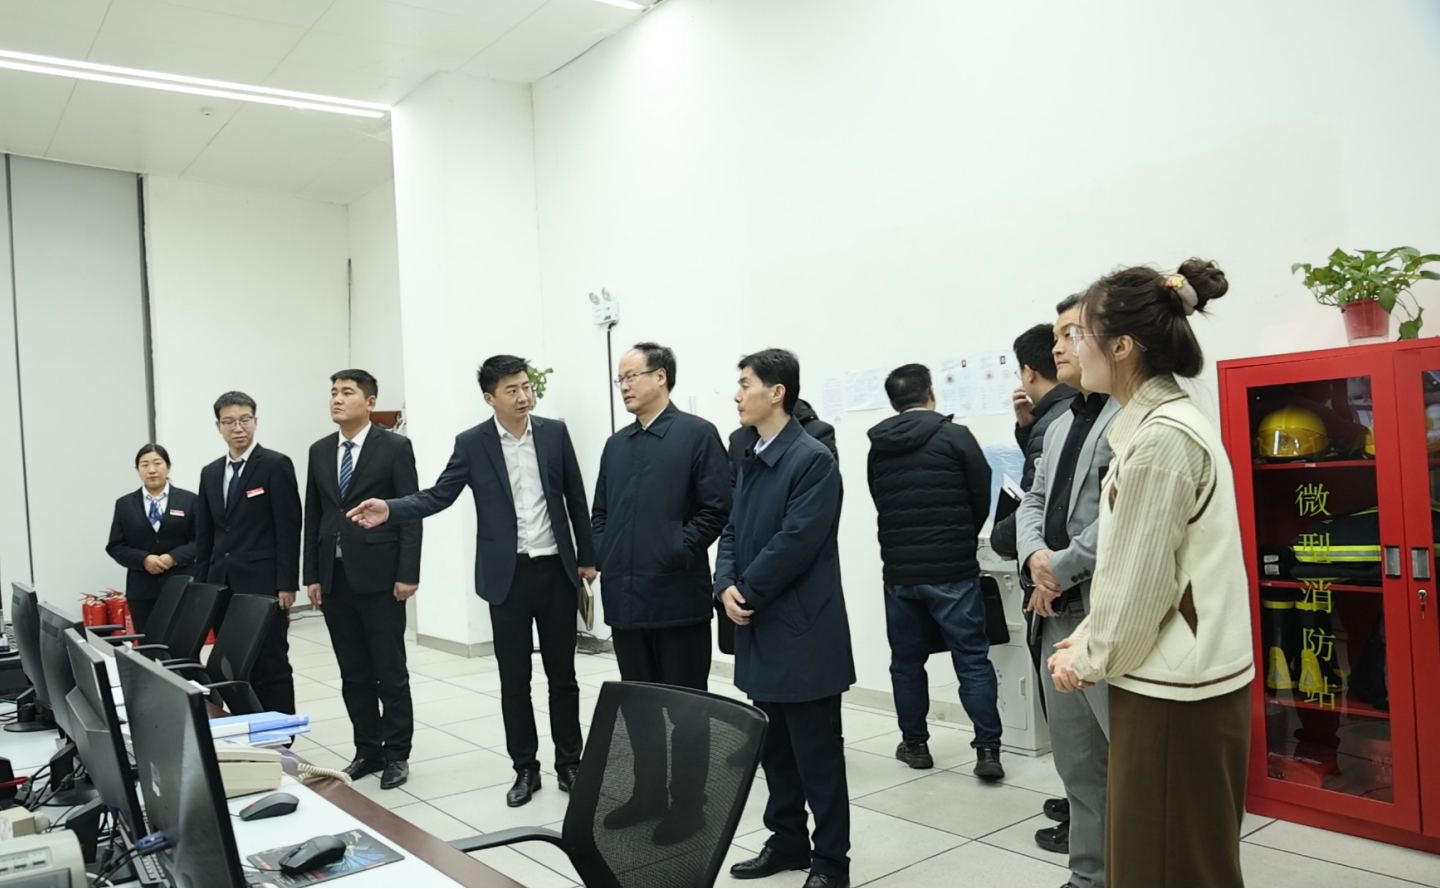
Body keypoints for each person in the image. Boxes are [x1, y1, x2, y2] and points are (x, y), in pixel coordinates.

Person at [1048, 259, 1251, 887]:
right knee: (1177, 858)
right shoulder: (1156, 427)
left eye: (1079, 333)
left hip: (1174, 692)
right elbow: (1132, 566)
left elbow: (1141, 584)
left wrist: (1089, 657)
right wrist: (1087, 638)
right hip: (1178, 678)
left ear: (1122, 347)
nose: (1069, 347)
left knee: (1165, 866)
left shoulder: (1161, 440)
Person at [347, 356, 595, 808]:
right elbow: (439, 495)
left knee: (564, 677)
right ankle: (525, 768)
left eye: (526, 387)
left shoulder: (554, 433)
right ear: (490, 398)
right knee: (514, 680)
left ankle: (570, 763)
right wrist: (391, 508)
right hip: (507, 578)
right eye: (511, 390)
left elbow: (575, 497)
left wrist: (587, 559)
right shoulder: (473, 443)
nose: (523, 396)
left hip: (555, 572)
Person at [720, 349, 854, 889]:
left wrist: (746, 591)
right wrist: (724, 586)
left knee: (817, 756)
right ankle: (787, 840)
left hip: (802, 630)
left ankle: (831, 863)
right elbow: (732, 529)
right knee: (774, 750)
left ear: (777, 393)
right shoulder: (752, 453)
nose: (737, 395)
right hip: (760, 625)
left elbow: (796, 541)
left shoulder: (812, 460)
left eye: (745, 384)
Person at [590, 342, 732, 844]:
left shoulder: (696, 434)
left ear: (662, 377)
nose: (624, 386)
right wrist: (606, 552)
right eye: (620, 379)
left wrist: (676, 548)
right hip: (626, 602)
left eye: (632, 376)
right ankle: (647, 794)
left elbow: (717, 508)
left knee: (687, 713)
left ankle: (689, 805)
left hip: (676, 599)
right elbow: (600, 512)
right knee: (639, 708)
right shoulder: (617, 445)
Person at [1015, 295, 1122, 882]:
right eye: (1056, 337)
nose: (1057, 347)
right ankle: (1088, 876)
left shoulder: (1130, 419)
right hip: (1054, 615)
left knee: (1124, 761)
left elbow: (1122, 517)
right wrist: (1035, 558)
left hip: (1103, 616)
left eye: (1070, 334)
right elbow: (1032, 500)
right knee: (1078, 765)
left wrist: (1060, 567)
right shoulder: (1056, 426)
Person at [865, 363, 1002, 779]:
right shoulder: (956, 436)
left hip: (901, 572)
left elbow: (880, 499)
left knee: (906, 663)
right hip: (953, 569)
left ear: (894, 402)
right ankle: (988, 751)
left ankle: (916, 745)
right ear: (930, 393)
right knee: (972, 659)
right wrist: (961, 537)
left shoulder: (879, 447)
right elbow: (982, 494)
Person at [303, 370, 422, 790]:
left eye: (347, 392)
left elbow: (410, 512)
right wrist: (312, 574)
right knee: (353, 672)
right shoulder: (320, 451)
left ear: (370, 402)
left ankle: (397, 753)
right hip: (334, 578)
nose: (336, 399)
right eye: (333, 392)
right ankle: (368, 749)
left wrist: (408, 573)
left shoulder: (394, 447)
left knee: (389, 670)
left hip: (381, 577)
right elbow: (314, 516)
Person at [193, 391, 302, 715]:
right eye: (229, 421)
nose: (237, 428)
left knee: (271, 662)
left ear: (255, 422)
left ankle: (281, 732)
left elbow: (288, 528)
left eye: (244, 420)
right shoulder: (210, 473)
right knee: (231, 663)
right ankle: (246, 723)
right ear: (218, 426)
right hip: (222, 585)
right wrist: (202, 588)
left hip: (262, 584)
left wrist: (287, 583)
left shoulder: (275, 465)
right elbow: (205, 535)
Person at [990, 322, 1077, 560]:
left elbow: (1039, 503)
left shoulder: (1053, 422)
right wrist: (1028, 428)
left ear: (1029, 372)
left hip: (1052, 558)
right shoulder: (1078, 406)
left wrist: (1000, 538)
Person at [105, 444, 199, 634]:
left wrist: (173, 557)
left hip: (182, 585)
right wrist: (143, 559)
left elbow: (201, 540)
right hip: (142, 590)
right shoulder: (125, 504)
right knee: (149, 645)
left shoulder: (190, 500)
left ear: (168, 467)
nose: (152, 470)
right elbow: (115, 546)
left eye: (157, 463)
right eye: (145, 465)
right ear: (138, 470)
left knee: (184, 643)